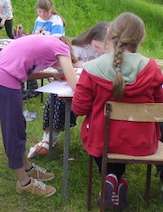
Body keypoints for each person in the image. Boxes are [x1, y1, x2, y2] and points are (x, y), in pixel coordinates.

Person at [72, 12, 163, 211]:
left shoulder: (92, 68)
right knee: (117, 134)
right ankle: (114, 179)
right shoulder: (151, 68)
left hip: (102, 140)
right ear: (140, 38)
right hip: (141, 141)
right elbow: (158, 105)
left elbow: (79, 109)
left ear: (109, 34)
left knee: (102, 132)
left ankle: (109, 177)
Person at [0, 34, 78, 197]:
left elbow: (26, 72)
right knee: (13, 131)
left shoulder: (50, 44)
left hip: (4, 76)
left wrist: (51, 75)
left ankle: (27, 168)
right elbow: (74, 85)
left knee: (19, 125)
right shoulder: (61, 48)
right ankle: (24, 182)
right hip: (4, 80)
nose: (59, 67)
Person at [30, 21, 110, 157]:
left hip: (98, 90)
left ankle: (51, 140)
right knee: (55, 99)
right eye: (97, 46)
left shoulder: (112, 50)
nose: (99, 51)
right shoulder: (79, 46)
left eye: (103, 49)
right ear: (90, 38)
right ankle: (49, 138)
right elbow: (70, 64)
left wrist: (84, 64)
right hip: (76, 84)